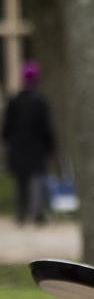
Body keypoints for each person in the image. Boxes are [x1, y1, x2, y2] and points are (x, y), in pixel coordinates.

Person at [2, 60, 56, 225]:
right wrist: (50, 146)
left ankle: (21, 213)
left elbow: (6, 127)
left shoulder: (14, 101)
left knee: (21, 181)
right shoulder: (40, 102)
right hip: (36, 148)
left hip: (18, 147)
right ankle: (37, 212)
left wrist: (8, 140)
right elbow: (46, 126)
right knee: (35, 180)